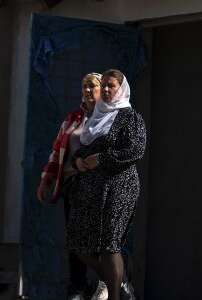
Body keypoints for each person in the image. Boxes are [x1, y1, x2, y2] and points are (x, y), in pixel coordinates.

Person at [67, 69, 146, 300]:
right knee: (79, 244)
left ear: (121, 89)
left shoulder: (129, 117)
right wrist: (78, 161)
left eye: (113, 86)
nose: (108, 90)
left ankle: (114, 296)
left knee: (109, 244)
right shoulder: (96, 117)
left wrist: (101, 159)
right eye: (106, 86)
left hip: (119, 186)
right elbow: (82, 150)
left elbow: (135, 150)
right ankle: (120, 285)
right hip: (91, 188)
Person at [37, 72, 104, 300]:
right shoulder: (72, 119)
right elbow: (57, 152)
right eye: (84, 86)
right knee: (74, 239)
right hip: (71, 187)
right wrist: (46, 180)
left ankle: (108, 282)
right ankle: (78, 287)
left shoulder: (108, 120)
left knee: (93, 239)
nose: (87, 90)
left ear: (102, 91)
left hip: (95, 187)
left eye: (92, 87)